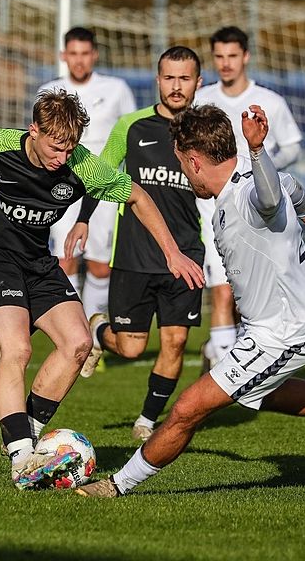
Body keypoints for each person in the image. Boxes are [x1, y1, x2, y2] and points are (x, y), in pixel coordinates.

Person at [0, 89, 204, 489]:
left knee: (79, 343)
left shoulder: (80, 165)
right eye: (55, 147)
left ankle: (22, 430)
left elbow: (136, 195)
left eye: (70, 148)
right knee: (17, 349)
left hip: (36, 263)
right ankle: (21, 458)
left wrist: (172, 253)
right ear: (33, 131)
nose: (62, 157)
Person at [75, 104, 305, 498]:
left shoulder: (248, 192)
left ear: (193, 161)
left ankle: (115, 486)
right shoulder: (239, 181)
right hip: (268, 326)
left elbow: (269, 195)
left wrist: (260, 151)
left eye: (180, 162)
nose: (181, 171)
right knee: (258, 392)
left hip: (287, 330)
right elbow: (289, 186)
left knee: (187, 409)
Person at [72, 46, 205, 443]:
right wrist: (82, 219)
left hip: (185, 254)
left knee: (176, 341)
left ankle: (147, 420)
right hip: (133, 254)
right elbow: (101, 173)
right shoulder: (132, 126)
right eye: (169, 77)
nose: (176, 86)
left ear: (198, 82)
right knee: (130, 348)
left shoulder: (207, 130)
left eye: (185, 78)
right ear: (158, 79)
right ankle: (99, 333)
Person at [194, 26, 304, 372]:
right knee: (223, 288)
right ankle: (224, 370)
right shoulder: (203, 100)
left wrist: (263, 167)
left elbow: (291, 147)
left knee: (251, 296)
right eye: (219, 57)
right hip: (212, 208)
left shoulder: (270, 101)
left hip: (258, 213)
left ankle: (226, 353)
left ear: (246, 57)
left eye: (232, 56)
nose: (225, 64)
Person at [38, 27, 136, 325]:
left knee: (100, 265)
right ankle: (72, 331)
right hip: (61, 183)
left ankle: (93, 334)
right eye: (73, 54)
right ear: (63, 56)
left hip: (102, 184)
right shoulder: (48, 91)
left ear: (94, 55)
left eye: (84, 53)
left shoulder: (117, 89)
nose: (79, 61)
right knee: (66, 258)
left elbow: (131, 136)